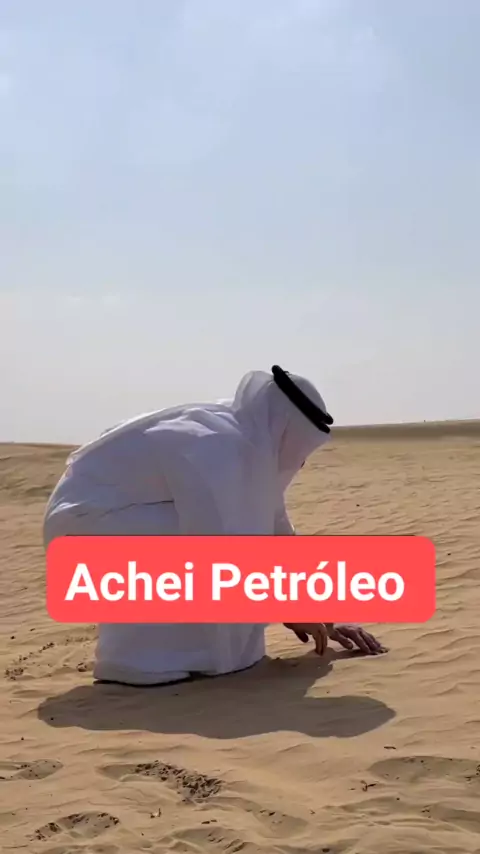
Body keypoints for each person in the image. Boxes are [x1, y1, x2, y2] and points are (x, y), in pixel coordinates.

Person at [43, 365, 385, 686]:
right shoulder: (217, 445)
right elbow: (219, 544)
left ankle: (183, 657)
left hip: (113, 523)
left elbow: (277, 533)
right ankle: (136, 661)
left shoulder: (245, 446)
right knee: (198, 542)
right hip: (82, 529)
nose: (303, 460)